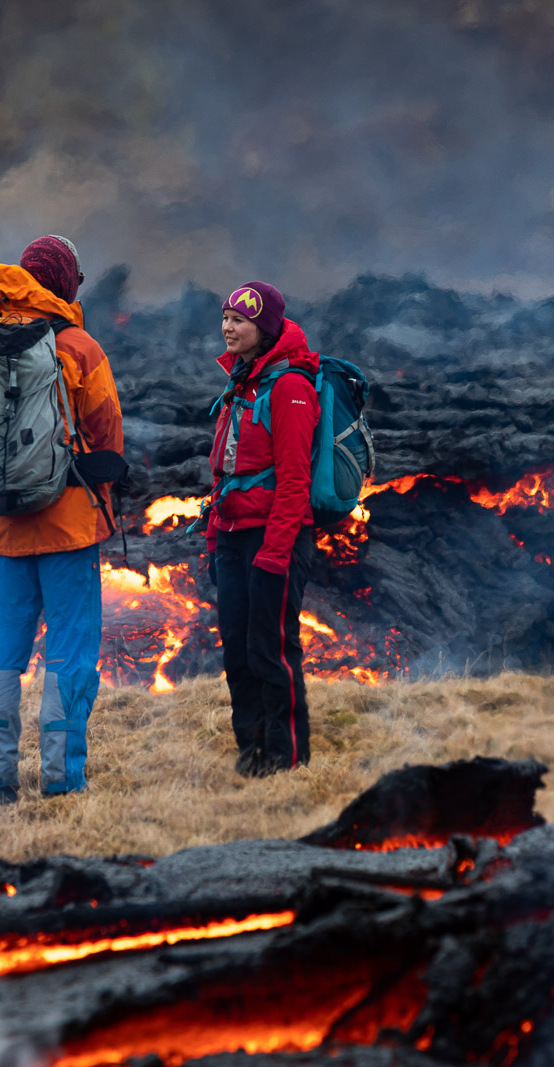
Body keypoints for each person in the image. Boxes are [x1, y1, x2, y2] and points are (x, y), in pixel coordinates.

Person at [0, 236, 123, 804]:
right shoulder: (79, 347)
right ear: (68, 282)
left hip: (4, 529)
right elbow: (106, 435)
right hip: (69, 526)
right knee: (69, 656)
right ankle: (62, 778)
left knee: (4, 655)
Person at [205, 281, 319, 776]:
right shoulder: (240, 383)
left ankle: (287, 757)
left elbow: (295, 479)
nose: (229, 327)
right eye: (226, 317)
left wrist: (275, 554)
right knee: (237, 649)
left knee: (271, 650)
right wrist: (214, 539)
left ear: (264, 327)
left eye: (240, 320)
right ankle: (251, 752)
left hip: (274, 538)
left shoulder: (290, 387)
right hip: (232, 535)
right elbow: (223, 473)